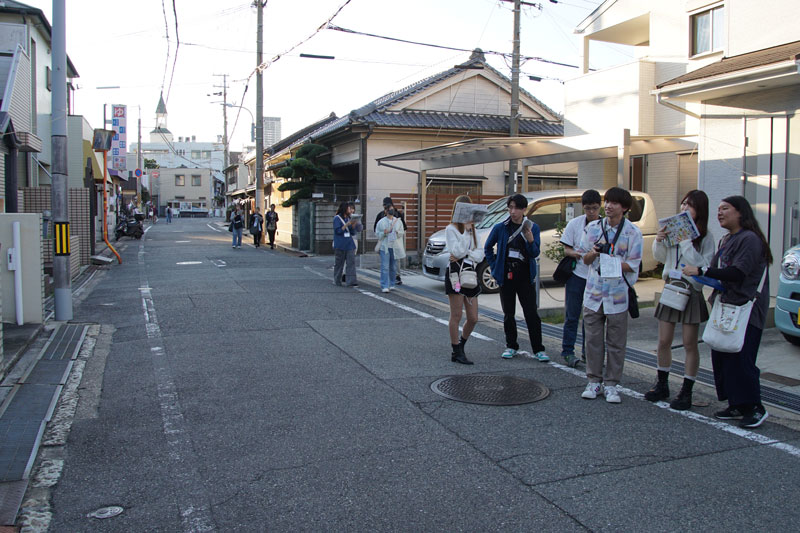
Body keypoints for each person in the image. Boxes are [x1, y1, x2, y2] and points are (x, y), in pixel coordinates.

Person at [681, 195, 772, 428]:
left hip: (746, 308)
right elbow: (716, 270)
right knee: (723, 355)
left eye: (725, 209)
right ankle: (736, 404)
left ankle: (754, 406)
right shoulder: (726, 240)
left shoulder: (750, 239)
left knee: (742, 358)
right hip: (726, 306)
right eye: (719, 209)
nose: (720, 213)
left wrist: (702, 270)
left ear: (741, 212)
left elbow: (738, 273)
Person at [645, 190, 715, 410]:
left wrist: (685, 241)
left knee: (689, 343)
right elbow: (661, 258)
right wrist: (659, 240)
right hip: (671, 288)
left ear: (700, 210)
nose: (684, 208)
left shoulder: (706, 236)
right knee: (663, 341)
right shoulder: (675, 228)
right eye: (683, 203)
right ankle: (662, 383)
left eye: (690, 205)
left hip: (691, 291)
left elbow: (701, 265)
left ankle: (686, 390)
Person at [578, 187, 643, 404]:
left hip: (617, 294)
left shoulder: (633, 233)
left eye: (614, 203)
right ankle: (593, 381)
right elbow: (584, 259)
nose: (608, 206)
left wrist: (610, 263)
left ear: (624, 207)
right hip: (594, 292)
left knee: (616, 342)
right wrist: (594, 253)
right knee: (593, 340)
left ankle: (612, 384)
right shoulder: (593, 228)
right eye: (607, 202)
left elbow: (633, 265)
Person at [484, 193, 548, 362]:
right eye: (510, 207)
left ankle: (538, 349)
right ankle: (511, 345)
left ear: (524, 209)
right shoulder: (501, 227)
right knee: (508, 313)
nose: (513, 211)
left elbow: (535, 253)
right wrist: (495, 266)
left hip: (525, 275)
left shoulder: (532, 227)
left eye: (516, 208)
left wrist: (530, 240)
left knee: (531, 313)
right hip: (506, 275)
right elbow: (488, 247)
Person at [559, 189, 602, 368]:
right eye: (587, 209)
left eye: (594, 208)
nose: (591, 212)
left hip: (596, 277)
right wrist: (575, 253)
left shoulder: (604, 226)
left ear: (600, 207)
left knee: (591, 318)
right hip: (577, 275)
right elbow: (566, 248)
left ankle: (588, 352)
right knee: (572, 315)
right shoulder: (575, 224)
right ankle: (568, 352)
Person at [445, 195, 485, 365]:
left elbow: (480, 254)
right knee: (456, 315)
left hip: (470, 273)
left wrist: (467, 253)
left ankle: (461, 344)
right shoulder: (451, 229)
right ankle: (456, 350)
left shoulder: (473, 230)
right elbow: (456, 250)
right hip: (456, 275)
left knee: (473, 317)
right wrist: (466, 236)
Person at [375, 204, 404, 293]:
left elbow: (402, 232)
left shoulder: (398, 221)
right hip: (385, 246)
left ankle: (392, 284)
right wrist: (383, 233)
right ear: (386, 211)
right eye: (389, 209)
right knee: (385, 266)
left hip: (395, 247)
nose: (391, 211)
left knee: (393, 267)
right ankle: (384, 285)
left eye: (393, 209)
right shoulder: (381, 222)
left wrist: (397, 232)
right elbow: (377, 234)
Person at [333, 201, 362, 287]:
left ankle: (351, 281)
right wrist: (347, 224)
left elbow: (353, 232)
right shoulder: (337, 218)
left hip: (350, 244)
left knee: (351, 263)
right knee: (339, 263)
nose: (351, 210)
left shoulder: (350, 218)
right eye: (349, 208)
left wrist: (353, 225)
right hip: (340, 244)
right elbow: (338, 231)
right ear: (344, 209)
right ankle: (337, 280)